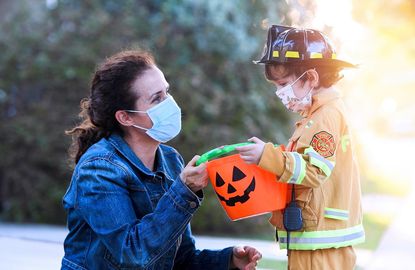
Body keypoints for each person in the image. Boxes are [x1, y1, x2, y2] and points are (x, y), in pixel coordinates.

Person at [61, 49, 262, 270]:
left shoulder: (170, 159)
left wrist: (229, 260)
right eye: (156, 99)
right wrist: (183, 191)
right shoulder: (99, 169)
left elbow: (180, 258)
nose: (169, 104)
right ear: (125, 117)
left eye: (166, 92)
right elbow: (133, 254)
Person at [235, 25, 365, 270]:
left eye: (283, 83)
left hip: (321, 242)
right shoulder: (315, 115)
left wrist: (267, 156)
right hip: (315, 237)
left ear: (311, 78)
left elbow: (313, 171)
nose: (279, 93)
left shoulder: (325, 115)